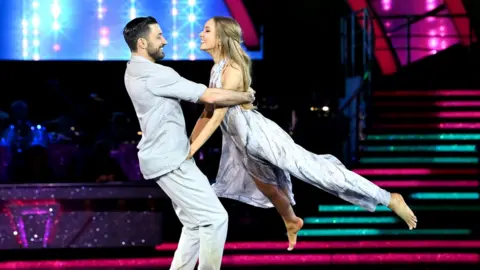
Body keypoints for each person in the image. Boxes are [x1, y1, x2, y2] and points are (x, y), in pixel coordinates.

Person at [188, 16, 418, 251]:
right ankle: (292, 221)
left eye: (207, 30)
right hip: (243, 143)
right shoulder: (216, 68)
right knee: (268, 188)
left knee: (317, 171)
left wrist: (192, 151)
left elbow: (216, 116)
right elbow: (206, 113)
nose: (201, 34)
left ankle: (389, 198)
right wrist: (188, 144)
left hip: (261, 137)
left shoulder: (233, 68)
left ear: (222, 37)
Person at [122, 16, 255, 270]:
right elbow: (208, 95)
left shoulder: (133, 69)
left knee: (195, 224)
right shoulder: (155, 73)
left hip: (166, 157)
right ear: (142, 43)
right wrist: (244, 95)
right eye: (158, 36)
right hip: (171, 159)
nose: (165, 40)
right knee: (215, 219)